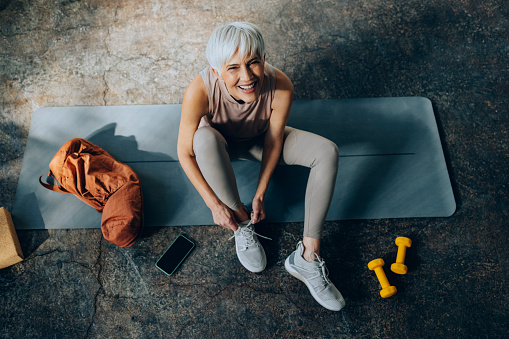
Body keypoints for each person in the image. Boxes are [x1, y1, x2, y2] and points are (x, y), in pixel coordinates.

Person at [177, 22, 345, 311]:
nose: (247, 77)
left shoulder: (281, 85)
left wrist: (260, 192)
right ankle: (242, 221)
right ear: (217, 71)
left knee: (327, 151)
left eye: (253, 62)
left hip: (258, 140)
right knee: (201, 139)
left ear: (263, 59)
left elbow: (273, 140)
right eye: (233, 68)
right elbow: (184, 152)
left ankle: (307, 257)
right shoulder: (199, 90)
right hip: (216, 146)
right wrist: (215, 205)